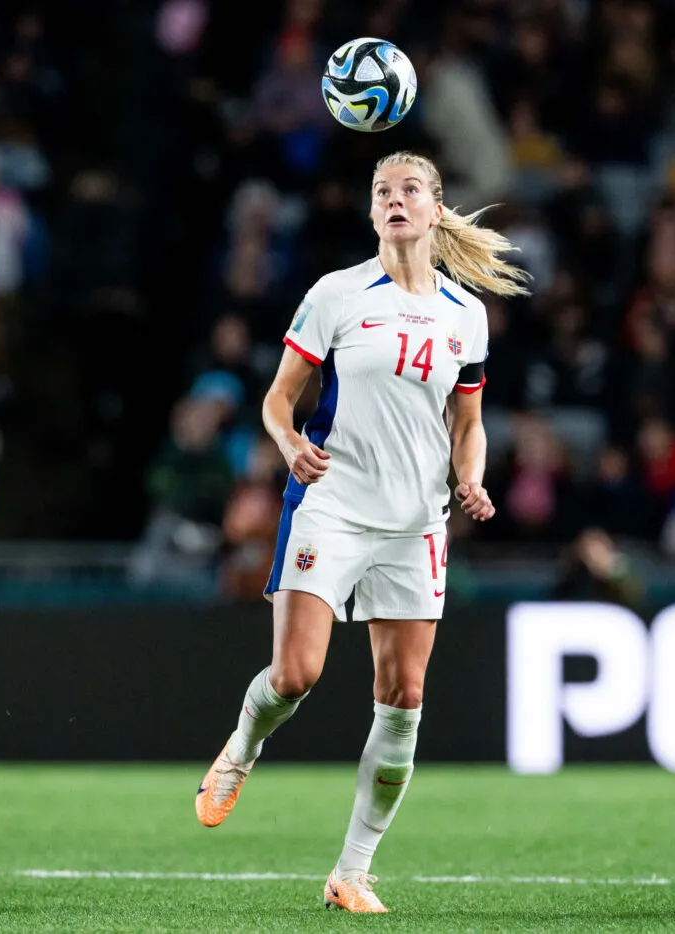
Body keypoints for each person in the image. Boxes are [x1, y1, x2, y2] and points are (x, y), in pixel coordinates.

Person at [193, 152, 527, 913]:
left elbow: (467, 423)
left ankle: (352, 871)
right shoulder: (336, 295)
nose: (396, 200)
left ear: (436, 209)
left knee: (403, 696)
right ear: (372, 212)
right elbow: (280, 400)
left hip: (416, 522)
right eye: (383, 192)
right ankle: (243, 748)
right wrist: (288, 446)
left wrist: (470, 477)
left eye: (411, 190)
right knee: (296, 676)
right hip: (332, 505)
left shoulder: (464, 314)